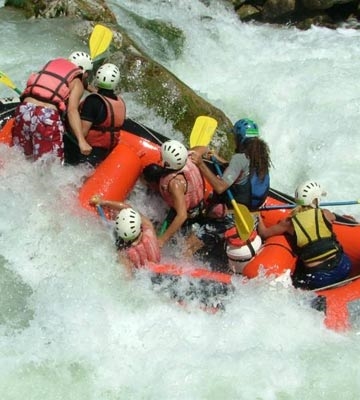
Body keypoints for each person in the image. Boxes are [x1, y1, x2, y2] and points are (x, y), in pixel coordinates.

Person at [257, 180, 352, 289]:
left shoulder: (288, 223)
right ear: (315, 200)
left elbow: (264, 233)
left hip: (318, 277)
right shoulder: (325, 213)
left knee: (298, 278)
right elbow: (334, 218)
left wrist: (257, 214)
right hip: (343, 267)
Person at [11, 51, 93, 162]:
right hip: (45, 117)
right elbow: (72, 110)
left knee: (22, 158)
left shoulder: (50, 68)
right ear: (85, 72)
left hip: (23, 110)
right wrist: (81, 141)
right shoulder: (77, 82)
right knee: (51, 165)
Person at [190, 118, 272, 211]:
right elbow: (241, 170)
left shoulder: (239, 158)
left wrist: (200, 164)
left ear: (240, 138)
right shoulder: (260, 158)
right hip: (251, 208)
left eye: (235, 136)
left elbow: (220, 188)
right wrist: (218, 158)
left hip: (234, 209)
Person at [64, 63, 126, 166]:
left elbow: (82, 133)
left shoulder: (93, 101)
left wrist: (67, 117)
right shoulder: (119, 102)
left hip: (86, 154)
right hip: (104, 154)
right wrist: (87, 87)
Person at [89, 195, 160, 276]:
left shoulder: (125, 254)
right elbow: (127, 208)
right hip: (156, 268)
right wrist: (103, 202)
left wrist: (100, 203)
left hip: (143, 277)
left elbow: (127, 278)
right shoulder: (148, 227)